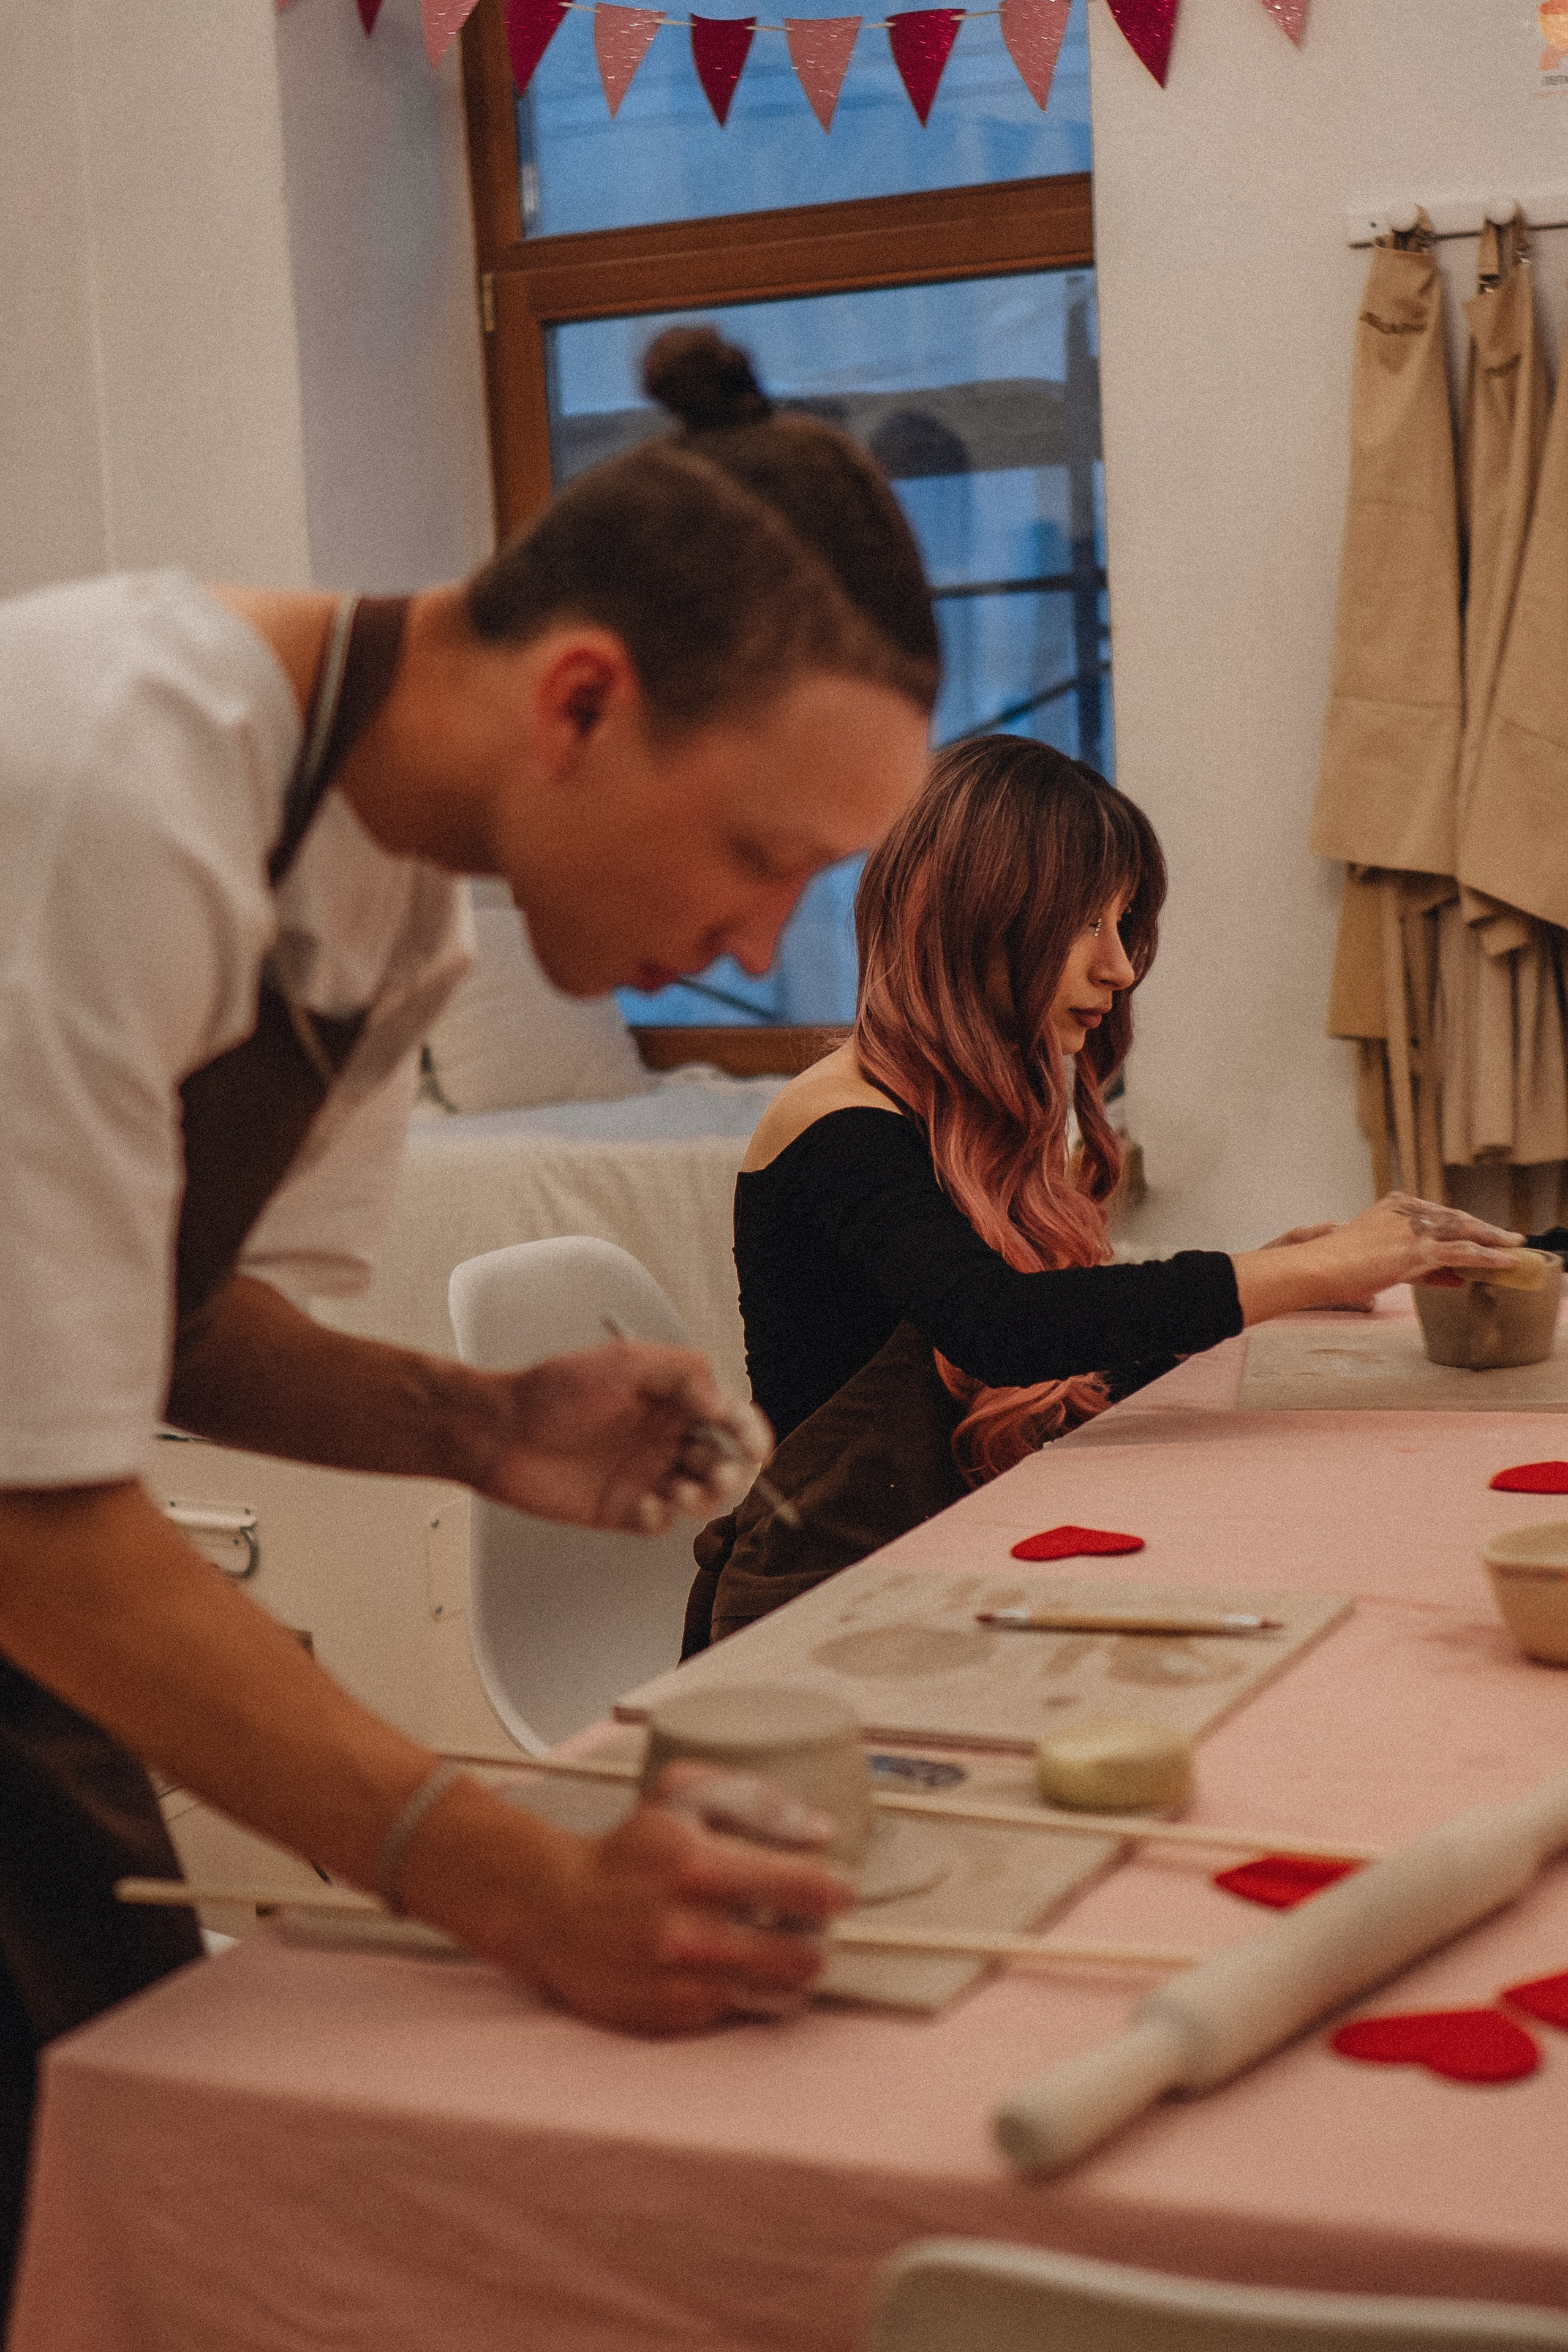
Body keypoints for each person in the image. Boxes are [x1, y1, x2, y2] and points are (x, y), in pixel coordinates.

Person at [0, 328, 939, 2294]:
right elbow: (39, 1518)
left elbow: (159, 1330)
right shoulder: (109, 774)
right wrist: (521, 1885)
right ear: (581, 697)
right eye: (762, 859)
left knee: (120, 2159)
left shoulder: (398, 918)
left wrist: (473, 1421)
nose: (762, 942)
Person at [685, 736, 1526, 1651]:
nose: (1121, 967)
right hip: (812, 1614)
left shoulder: (962, 1114)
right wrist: (1304, 1272)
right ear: (974, 917)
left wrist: (1282, 1282)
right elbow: (998, 1327)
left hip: (936, 1569)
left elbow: (1060, 1369)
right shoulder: (837, 1120)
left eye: (1124, 924)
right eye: (1087, 921)